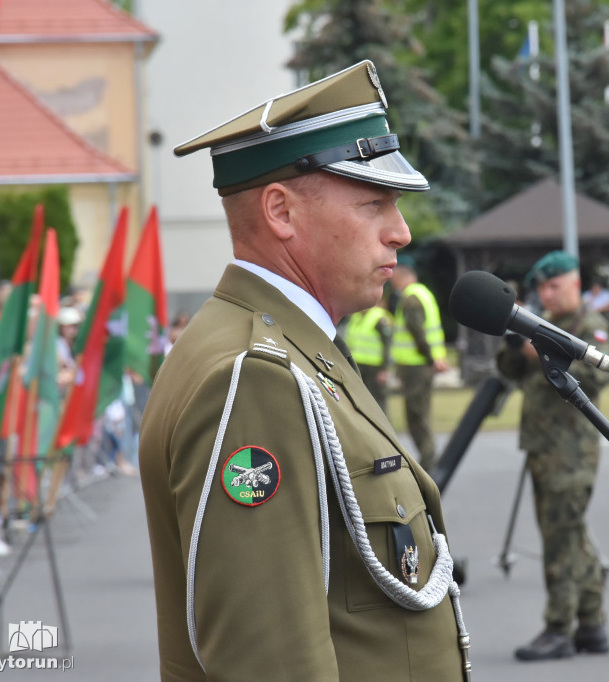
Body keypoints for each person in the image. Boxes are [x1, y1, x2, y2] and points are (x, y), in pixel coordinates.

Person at [138, 60, 470, 681]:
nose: (399, 232)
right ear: (281, 213)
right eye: (374, 204)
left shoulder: (285, 348)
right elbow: (270, 661)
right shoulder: (252, 377)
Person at [495, 250, 609, 662]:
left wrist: (545, 351)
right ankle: (592, 622)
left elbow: (597, 378)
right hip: (543, 448)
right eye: (543, 287)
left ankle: (559, 628)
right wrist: (516, 345)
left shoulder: (588, 326)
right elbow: (509, 372)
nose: (547, 294)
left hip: (571, 452)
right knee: (571, 535)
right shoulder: (538, 325)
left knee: (561, 540)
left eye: (555, 285)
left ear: (575, 283)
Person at [390, 256, 449, 472]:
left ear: (401, 275)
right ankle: (428, 459)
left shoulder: (411, 299)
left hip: (416, 366)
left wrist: (432, 359)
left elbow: (417, 332)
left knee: (417, 415)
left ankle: (428, 462)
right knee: (419, 413)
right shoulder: (423, 294)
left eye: (393, 275)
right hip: (419, 364)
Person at [344, 294, 394, 412]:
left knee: (377, 402)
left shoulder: (380, 318)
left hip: (375, 367)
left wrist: (385, 369)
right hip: (357, 365)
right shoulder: (355, 317)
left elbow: (388, 346)